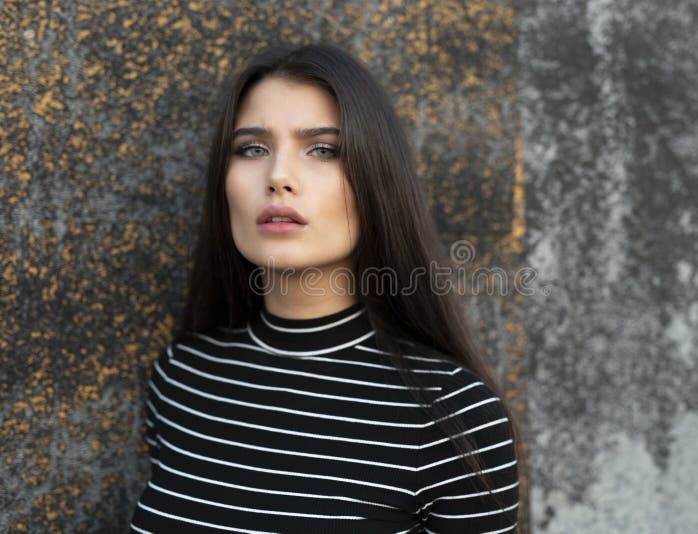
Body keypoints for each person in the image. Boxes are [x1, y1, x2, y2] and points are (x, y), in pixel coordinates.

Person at [130, 42, 520, 533]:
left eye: (323, 149)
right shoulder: (182, 377)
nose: (278, 177)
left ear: (377, 180)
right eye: (252, 148)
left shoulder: (453, 418)